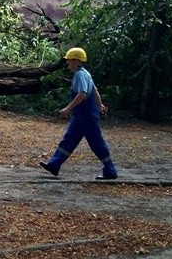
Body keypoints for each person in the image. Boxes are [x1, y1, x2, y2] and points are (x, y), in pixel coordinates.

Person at [39, 47, 118, 180]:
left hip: (86, 115)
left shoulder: (80, 75)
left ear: (76, 61)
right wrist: (100, 106)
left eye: (69, 60)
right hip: (82, 115)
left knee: (96, 142)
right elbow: (95, 90)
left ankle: (110, 170)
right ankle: (54, 165)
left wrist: (67, 109)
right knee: (69, 139)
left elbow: (82, 94)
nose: (68, 63)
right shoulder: (85, 73)